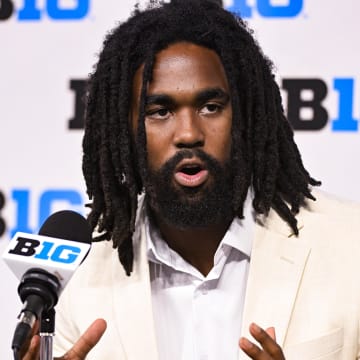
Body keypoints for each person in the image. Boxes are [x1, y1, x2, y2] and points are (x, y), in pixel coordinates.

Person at [20, 0, 360, 359]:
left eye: (210, 107)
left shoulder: (350, 246)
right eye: (160, 111)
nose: (188, 133)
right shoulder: (78, 277)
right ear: (127, 129)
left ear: (243, 115)